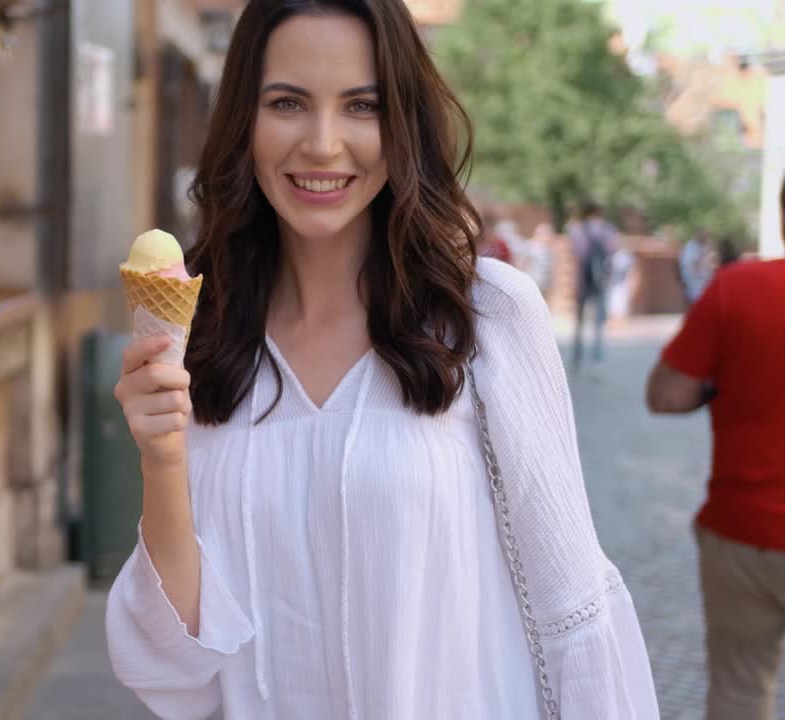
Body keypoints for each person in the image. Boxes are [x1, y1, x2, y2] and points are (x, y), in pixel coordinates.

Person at [107, 2, 659, 718]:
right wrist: (161, 457)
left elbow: (572, 610)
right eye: (287, 103)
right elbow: (176, 674)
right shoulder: (205, 341)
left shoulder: (485, 317)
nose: (323, 144)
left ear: (402, 125)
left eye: (362, 106)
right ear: (244, 119)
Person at [646, 159, 785, 720]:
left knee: (739, 695)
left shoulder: (738, 288)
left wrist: (717, 388)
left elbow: (666, 395)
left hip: (748, 532)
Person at [569, 201, 620, 371]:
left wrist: (574, 282)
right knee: (599, 321)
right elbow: (613, 252)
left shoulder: (578, 230)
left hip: (583, 279)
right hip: (601, 281)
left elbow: (577, 257)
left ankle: (577, 357)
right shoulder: (607, 230)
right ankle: (597, 358)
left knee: (579, 321)